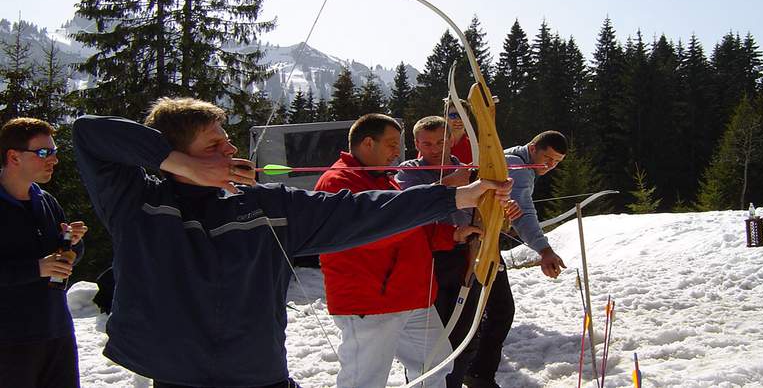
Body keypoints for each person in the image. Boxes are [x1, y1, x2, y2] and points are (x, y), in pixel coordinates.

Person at [71, 98, 512, 388]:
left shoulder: (268, 204)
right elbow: (89, 132)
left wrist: (456, 196)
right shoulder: (138, 203)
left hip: (259, 373)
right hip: (176, 375)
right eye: (214, 144)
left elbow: (361, 212)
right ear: (177, 153)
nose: (229, 150)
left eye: (227, 141)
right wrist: (181, 165)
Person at [314, 114, 482, 388]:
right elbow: (373, 230)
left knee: (435, 365)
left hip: (411, 295)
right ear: (368, 142)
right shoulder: (339, 181)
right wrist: (445, 189)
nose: (397, 152)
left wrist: (453, 233)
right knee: (364, 380)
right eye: (392, 143)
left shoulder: (382, 178)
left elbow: (412, 224)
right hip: (371, 299)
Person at [396, 116, 522, 388]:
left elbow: (488, 210)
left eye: (441, 141)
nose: (435, 148)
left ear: (451, 141)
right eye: (427, 143)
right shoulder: (409, 171)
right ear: (416, 143)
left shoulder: (469, 171)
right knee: (431, 339)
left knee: (466, 335)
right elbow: (406, 206)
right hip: (430, 260)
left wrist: (504, 211)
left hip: (468, 254)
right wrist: (450, 183)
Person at [463, 131, 569, 388]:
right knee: (498, 310)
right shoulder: (519, 168)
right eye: (547, 158)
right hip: (477, 244)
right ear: (533, 148)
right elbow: (524, 214)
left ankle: (469, 371)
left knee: (480, 309)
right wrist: (544, 250)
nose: (549, 166)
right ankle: (477, 375)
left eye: (556, 162)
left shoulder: (510, 158)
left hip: (475, 240)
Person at [0, 118, 88, 388]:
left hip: (55, 330)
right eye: (43, 153)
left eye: (54, 151)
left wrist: (72, 243)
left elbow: (63, 260)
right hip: (9, 338)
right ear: (13, 156)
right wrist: (37, 268)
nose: (54, 159)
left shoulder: (46, 201)